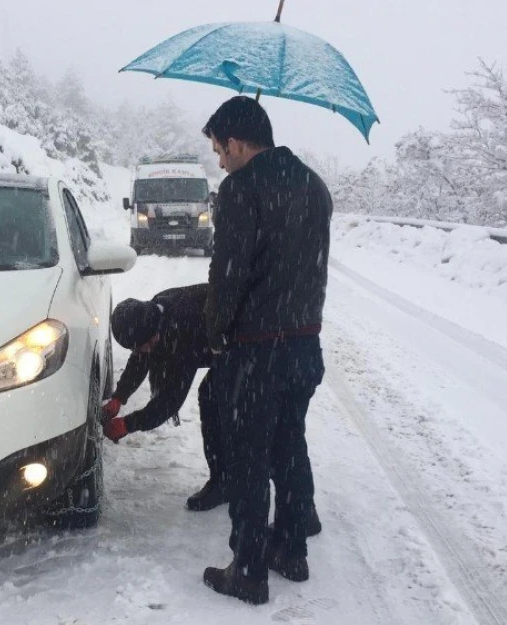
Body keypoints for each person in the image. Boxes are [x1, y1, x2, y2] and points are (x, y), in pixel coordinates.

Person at [199, 96, 332, 605]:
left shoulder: (240, 189)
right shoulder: (314, 184)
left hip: (257, 351)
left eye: (219, 149)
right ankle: (290, 550)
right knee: (288, 444)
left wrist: (216, 332)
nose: (220, 161)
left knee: (248, 456)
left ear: (235, 143)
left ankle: (249, 569)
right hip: (305, 345)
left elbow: (228, 273)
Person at [101, 284, 226, 511]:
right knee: (212, 395)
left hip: (246, 341)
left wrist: (128, 424)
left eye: (144, 345)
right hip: (223, 335)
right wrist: (120, 397)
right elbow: (142, 358)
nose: (143, 351)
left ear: (154, 333)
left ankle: (226, 481)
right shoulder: (153, 316)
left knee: (215, 398)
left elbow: (169, 401)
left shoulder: (182, 331)